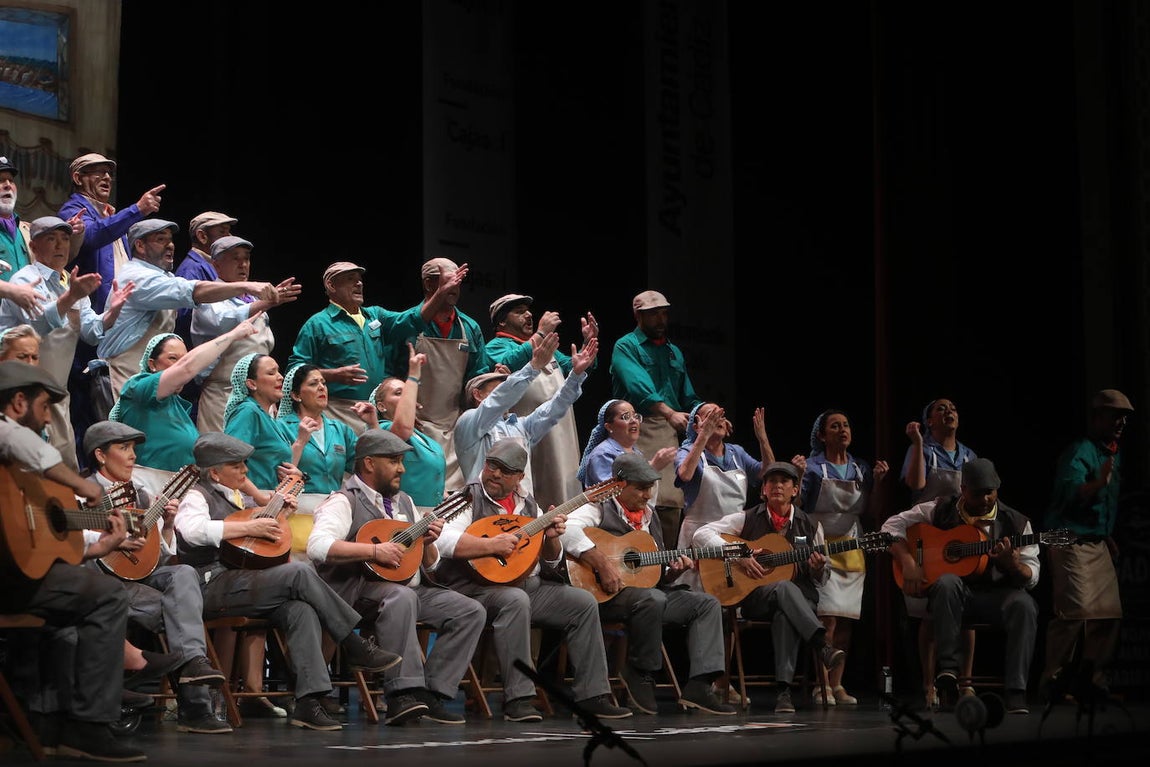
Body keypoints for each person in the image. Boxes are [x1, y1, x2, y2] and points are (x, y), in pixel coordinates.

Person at [172, 431, 404, 731]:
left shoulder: (238, 500)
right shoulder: (196, 495)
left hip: (241, 584)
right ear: (215, 473)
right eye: (236, 465)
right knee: (300, 572)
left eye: (244, 464)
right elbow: (191, 530)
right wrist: (250, 527)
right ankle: (353, 642)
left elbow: (253, 550)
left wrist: (274, 518)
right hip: (209, 586)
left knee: (300, 609)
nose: (245, 470)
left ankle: (309, 700)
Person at [0, 359, 144, 761]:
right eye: (44, 406)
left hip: (18, 575)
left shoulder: (18, 471)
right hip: (8, 582)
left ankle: (44, 722)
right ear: (18, 403)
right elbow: (17, 439)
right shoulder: (9, 436)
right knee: (108, 595)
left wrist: (99, 548)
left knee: (67, 616)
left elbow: (37, 543)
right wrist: (86, 486)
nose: (48, 417)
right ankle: (89, 725)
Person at [433, 438, 633, 722]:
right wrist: (490, 545)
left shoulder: (529, 506)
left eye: (505, 470)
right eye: (492, 466)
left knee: (582, 602)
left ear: (519, 477)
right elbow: (442, 540)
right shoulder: (467, 498)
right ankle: (519, 698)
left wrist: (551, 539)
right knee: (515, 600)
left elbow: (550, 563)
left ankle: (592, 696)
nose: (495, 474)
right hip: (476, 588)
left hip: (528, 585)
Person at [307, 429, 487, 725]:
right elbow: (318, 547)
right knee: (401, 598)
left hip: (406, 590)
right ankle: (401, 695)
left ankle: (432, 694)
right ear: (369, 463)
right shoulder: (343, 501)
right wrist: (374, 551)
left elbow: (430, 564)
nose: (402, 469)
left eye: (401, 461)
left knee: (469, 610)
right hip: (357, 593)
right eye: (393, 461)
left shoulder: (405, 502)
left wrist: (427, 543)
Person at [81, 420, 231, 734]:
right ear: (100, 455)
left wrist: (167, 525)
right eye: (124, 448)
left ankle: (192, 667)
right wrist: (111, 540)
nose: (133, 456)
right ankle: (195, 705)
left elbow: (158, 556)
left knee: (184, 573)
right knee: (180, 613)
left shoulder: (141, 495)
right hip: (101, 582)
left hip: (139, 579)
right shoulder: (81, 493)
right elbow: (73, 542)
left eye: (133, 448)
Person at [562, 452, 737, 715]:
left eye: (650, 488)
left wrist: (672, 572)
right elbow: (566, 530)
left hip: (650, 597)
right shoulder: (597, 508)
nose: (647, 495)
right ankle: (640, 672)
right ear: (620, 485)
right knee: (652, 599)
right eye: (641, 488)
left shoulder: (650, 517)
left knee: (706, 604)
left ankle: (700, 685)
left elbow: (652, 571)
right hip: (607, 596)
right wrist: (601, 563)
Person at [881, 458, 1040, 715]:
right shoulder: (941, 508)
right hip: (952, 599)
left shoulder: (1018, 523)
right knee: (947, 582)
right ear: (963, 489)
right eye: (978, 493)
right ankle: (948, 675)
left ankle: (1016, 690)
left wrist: (1013, 566)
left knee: (1025, 604)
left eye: (990, 492)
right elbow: (890, 526)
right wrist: (908, 560)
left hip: (997, 598)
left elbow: (1032, 576)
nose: (986, 499)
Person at [692, 461, 847, 714]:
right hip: (757, 598)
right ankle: (822, 645)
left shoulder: (811, 526)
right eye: (771, 481)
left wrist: (818, 568)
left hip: (802, 601)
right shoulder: (747, 518)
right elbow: (701, 534)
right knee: (783, 588)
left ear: (795, 490)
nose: (777, 486)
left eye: (784, 481)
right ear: (763, 489)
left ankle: (783, 694)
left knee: (786, 612)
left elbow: (822, 579)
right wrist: (740, 554)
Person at [0, 216, 134, 470]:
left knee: (64, 467)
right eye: (51, 239)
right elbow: (37, 326)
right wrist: (71, 296)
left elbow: (91, 332)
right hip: (21, 393)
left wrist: (112, 312)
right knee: (23, 468)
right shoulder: (24, 280)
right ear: (33, 247)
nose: (60, 245)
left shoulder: (69, 282)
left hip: (57, 394)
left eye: (64, 239)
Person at [96, 219, 282, 400]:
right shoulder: (137, 277)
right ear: (140, 246)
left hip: (149, 379)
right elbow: (192, 291)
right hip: (125, 375)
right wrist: (246, 286)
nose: (170, 245)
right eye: (161, 239)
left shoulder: (164, 276)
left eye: (170, 240)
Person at [58, 153, 163, 453]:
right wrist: (137, 210)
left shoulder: (106, 215)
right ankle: (89, 467)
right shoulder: (74, 209)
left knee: (105, 403)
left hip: (110, 324)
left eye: (109, 173)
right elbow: (91, 237)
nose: (106, 178)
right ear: (78, 178)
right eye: (97, 172)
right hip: (87, 322)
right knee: (86, 402)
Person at [1041, 388, 1134, 700]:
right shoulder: (1080, 451)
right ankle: (1053, 683)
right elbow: (1072, 493)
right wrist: (1098, 483)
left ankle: (1093, 683)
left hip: (1095, 540)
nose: (1121, 422)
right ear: (1097, 418)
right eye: (1115, 415)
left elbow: (1101, 505)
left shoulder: (1113, 453)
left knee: (1108, 614)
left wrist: (1105, 533)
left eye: (1124, 417)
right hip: (1068, 539)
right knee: (1074, 614)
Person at [801, 409, 889, 706]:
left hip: (851, 545)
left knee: (846, 619)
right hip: (821, 543)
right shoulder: (813, 467)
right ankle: (821, 684)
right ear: (822, 435)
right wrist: (798, 475)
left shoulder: (860, 468)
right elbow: (800, 506)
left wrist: (878, 482)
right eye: (835, 426)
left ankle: (837, 684)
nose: (843, 430)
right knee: (827, 619)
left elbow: (871, 511)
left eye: (846, 425)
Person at [108, 317, 265, 473]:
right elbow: (187, 368)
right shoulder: (138, 387)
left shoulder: (177, 405)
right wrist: (233, 335)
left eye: (183, 359)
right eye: (172, 358)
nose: (178, 364)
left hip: (180, 484)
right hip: (149, 482)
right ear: (152, 364)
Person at [900, 398, 979, 708]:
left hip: (960, 538)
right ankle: (929, 683)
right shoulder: (923, 450)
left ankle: (965, 682)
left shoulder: (969, 455)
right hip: (927, 537)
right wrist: (918, 443)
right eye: (941, 409)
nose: (949, 412)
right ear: (929, 421)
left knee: (967, 614)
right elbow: (915, 483)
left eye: (953, 408)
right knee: (930, 615)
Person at [609, 289, 702, 551]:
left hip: (667, 430)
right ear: (638, 316)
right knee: (637, 495)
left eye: (664, 313)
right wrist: (669, 412)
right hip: (635, 426)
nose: (661, 320)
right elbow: (638, 387)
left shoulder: (673, 352)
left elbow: (687, 395)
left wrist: (705, 410)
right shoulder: (626, 346)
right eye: (653, 315)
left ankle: (666, 563)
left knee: (670, 501)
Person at [485, 293, 598, 510]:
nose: (528, 315)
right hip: (532, 432)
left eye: (528, 311)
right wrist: (540, 334)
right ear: (502, 322)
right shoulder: (496, 346)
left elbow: (574, 366)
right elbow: (507, 362)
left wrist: (587, 346)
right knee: (538, 488)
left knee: (565, 482)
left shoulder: (547, 347)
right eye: (519, 312)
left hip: (562, 430)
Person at [454, 330, 597, 497]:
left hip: (522, 508)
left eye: (506, 384)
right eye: (499, 386)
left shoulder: (520, 426)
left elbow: (555, 407)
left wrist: (575, 376)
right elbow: (498, 401)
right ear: (477, 394)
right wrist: (533, 367)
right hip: (484, 507)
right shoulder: (468, 422)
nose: (506, 389)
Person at [384, 258, 486, 489]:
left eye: (458, 282)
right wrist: (400, 412)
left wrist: (470, 415)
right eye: (449, 280)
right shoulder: (408, 325)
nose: (455, 287)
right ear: (429, 284)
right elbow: (389, 374)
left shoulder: (470, 328)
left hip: (454, 426)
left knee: (454, 495)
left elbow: (476, 377)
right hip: (413, 425)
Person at [191, 234, 297, 432]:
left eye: (246, 258)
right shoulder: (208, 297)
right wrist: (265, 303)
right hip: (223, 394)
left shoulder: (252, 299)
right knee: (224, 449)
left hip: (259, 395)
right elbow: (223, 321)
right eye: (235, 258)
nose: (243, 264)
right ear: (216, 265)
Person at [288, 261, 400, 435]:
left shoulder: (374, 316)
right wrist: (332, 375)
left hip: (376, 410)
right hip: (338, 411)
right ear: (331, 285)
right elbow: (295, 371)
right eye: (350, 278)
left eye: (359, 279)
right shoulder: (317, 324)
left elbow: (410, 319)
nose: (359, 283)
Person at [673, 402, 775, 591]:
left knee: (730, 593)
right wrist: (703, 436)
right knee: (698, 592)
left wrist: (762, 439)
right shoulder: (687, 451)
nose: (717, 420)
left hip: (732, 536)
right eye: (710, 416)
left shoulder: (737, 452)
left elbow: (769, 473)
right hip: (698, 537)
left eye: (720, 415)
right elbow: (685, 475)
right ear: (696, 425)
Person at [355, 343, 447, 513]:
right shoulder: (383, 429)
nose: (406, 397)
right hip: (401, 512)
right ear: (381, 406)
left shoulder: (423, 436)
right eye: (399, 393)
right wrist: (413, 376)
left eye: (408, 392)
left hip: (433, 514)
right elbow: (403, 428)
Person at [222, 352, 305, 492]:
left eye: (278, 371)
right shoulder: (248, 411)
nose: (280, 377)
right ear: (252, 384)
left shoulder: (266, 417)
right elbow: (229, 461)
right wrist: (259, 497)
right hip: (250, 500)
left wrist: (295, 475)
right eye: (271, 373)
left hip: (268, 499)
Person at [278, 362, 358, 493]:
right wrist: (300, 441)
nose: (321, 387)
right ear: (296, 395)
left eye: (323, 383)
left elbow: (366, 467)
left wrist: (372, 425)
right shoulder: (281, 428)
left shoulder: (340, 429)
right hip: (296, 502)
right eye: (313, 384)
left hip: (334, 503)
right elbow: (278, 474)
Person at [576, 398, 677, 488]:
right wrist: (652, 468)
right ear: (609, 426)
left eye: (635, 416)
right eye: (625, 417)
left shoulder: (636, 453)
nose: (634, 420)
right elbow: (610, 492)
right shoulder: (602, 454)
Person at [173, 210, 238, 344]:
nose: (229, 237)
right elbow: (184, 318)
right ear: (202, 236)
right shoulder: (191, 269)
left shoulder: (211, 265)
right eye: (222, 232)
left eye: (229, 232)